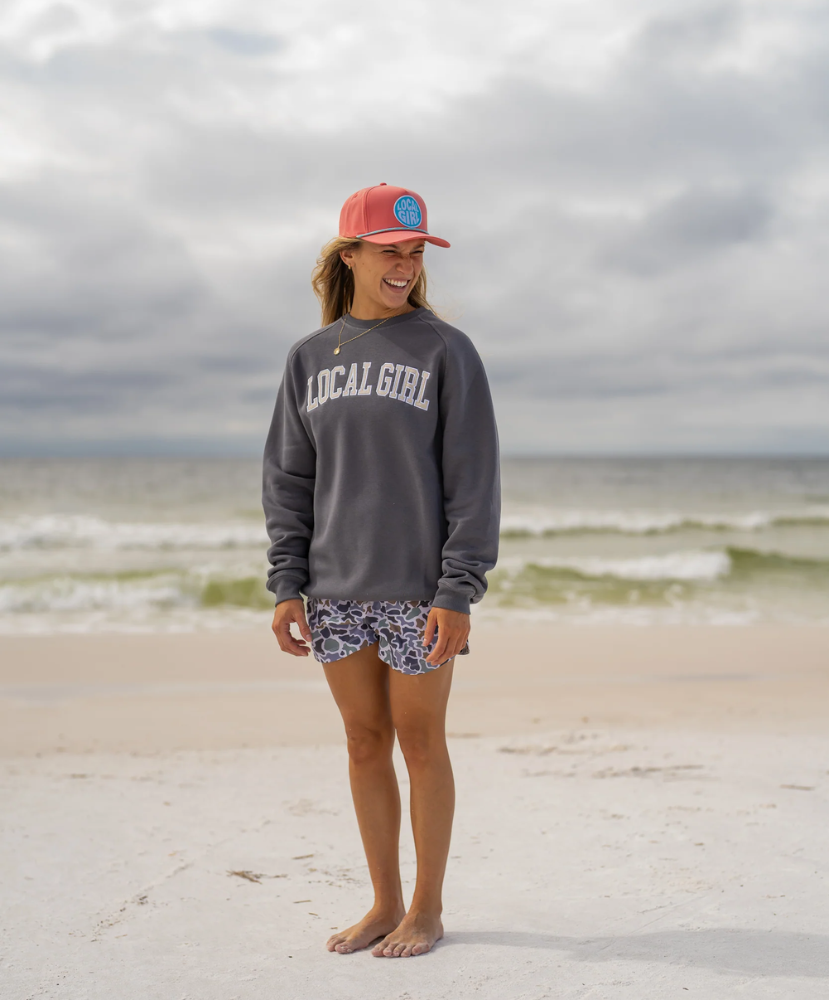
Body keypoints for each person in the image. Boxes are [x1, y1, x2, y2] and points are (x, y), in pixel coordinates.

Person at [262, 182, 500, 958]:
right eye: (389, 252)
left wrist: (458, 589)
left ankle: (427, 908)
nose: (403, 266)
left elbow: (472, 477)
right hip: (334, 589)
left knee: (420, 740)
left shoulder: (444, 349)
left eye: (414, 253)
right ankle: (383, 902)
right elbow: (289, 480)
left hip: (418, 589)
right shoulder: (308, 358)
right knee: (364, 743)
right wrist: (286, 584)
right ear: (350, 255)